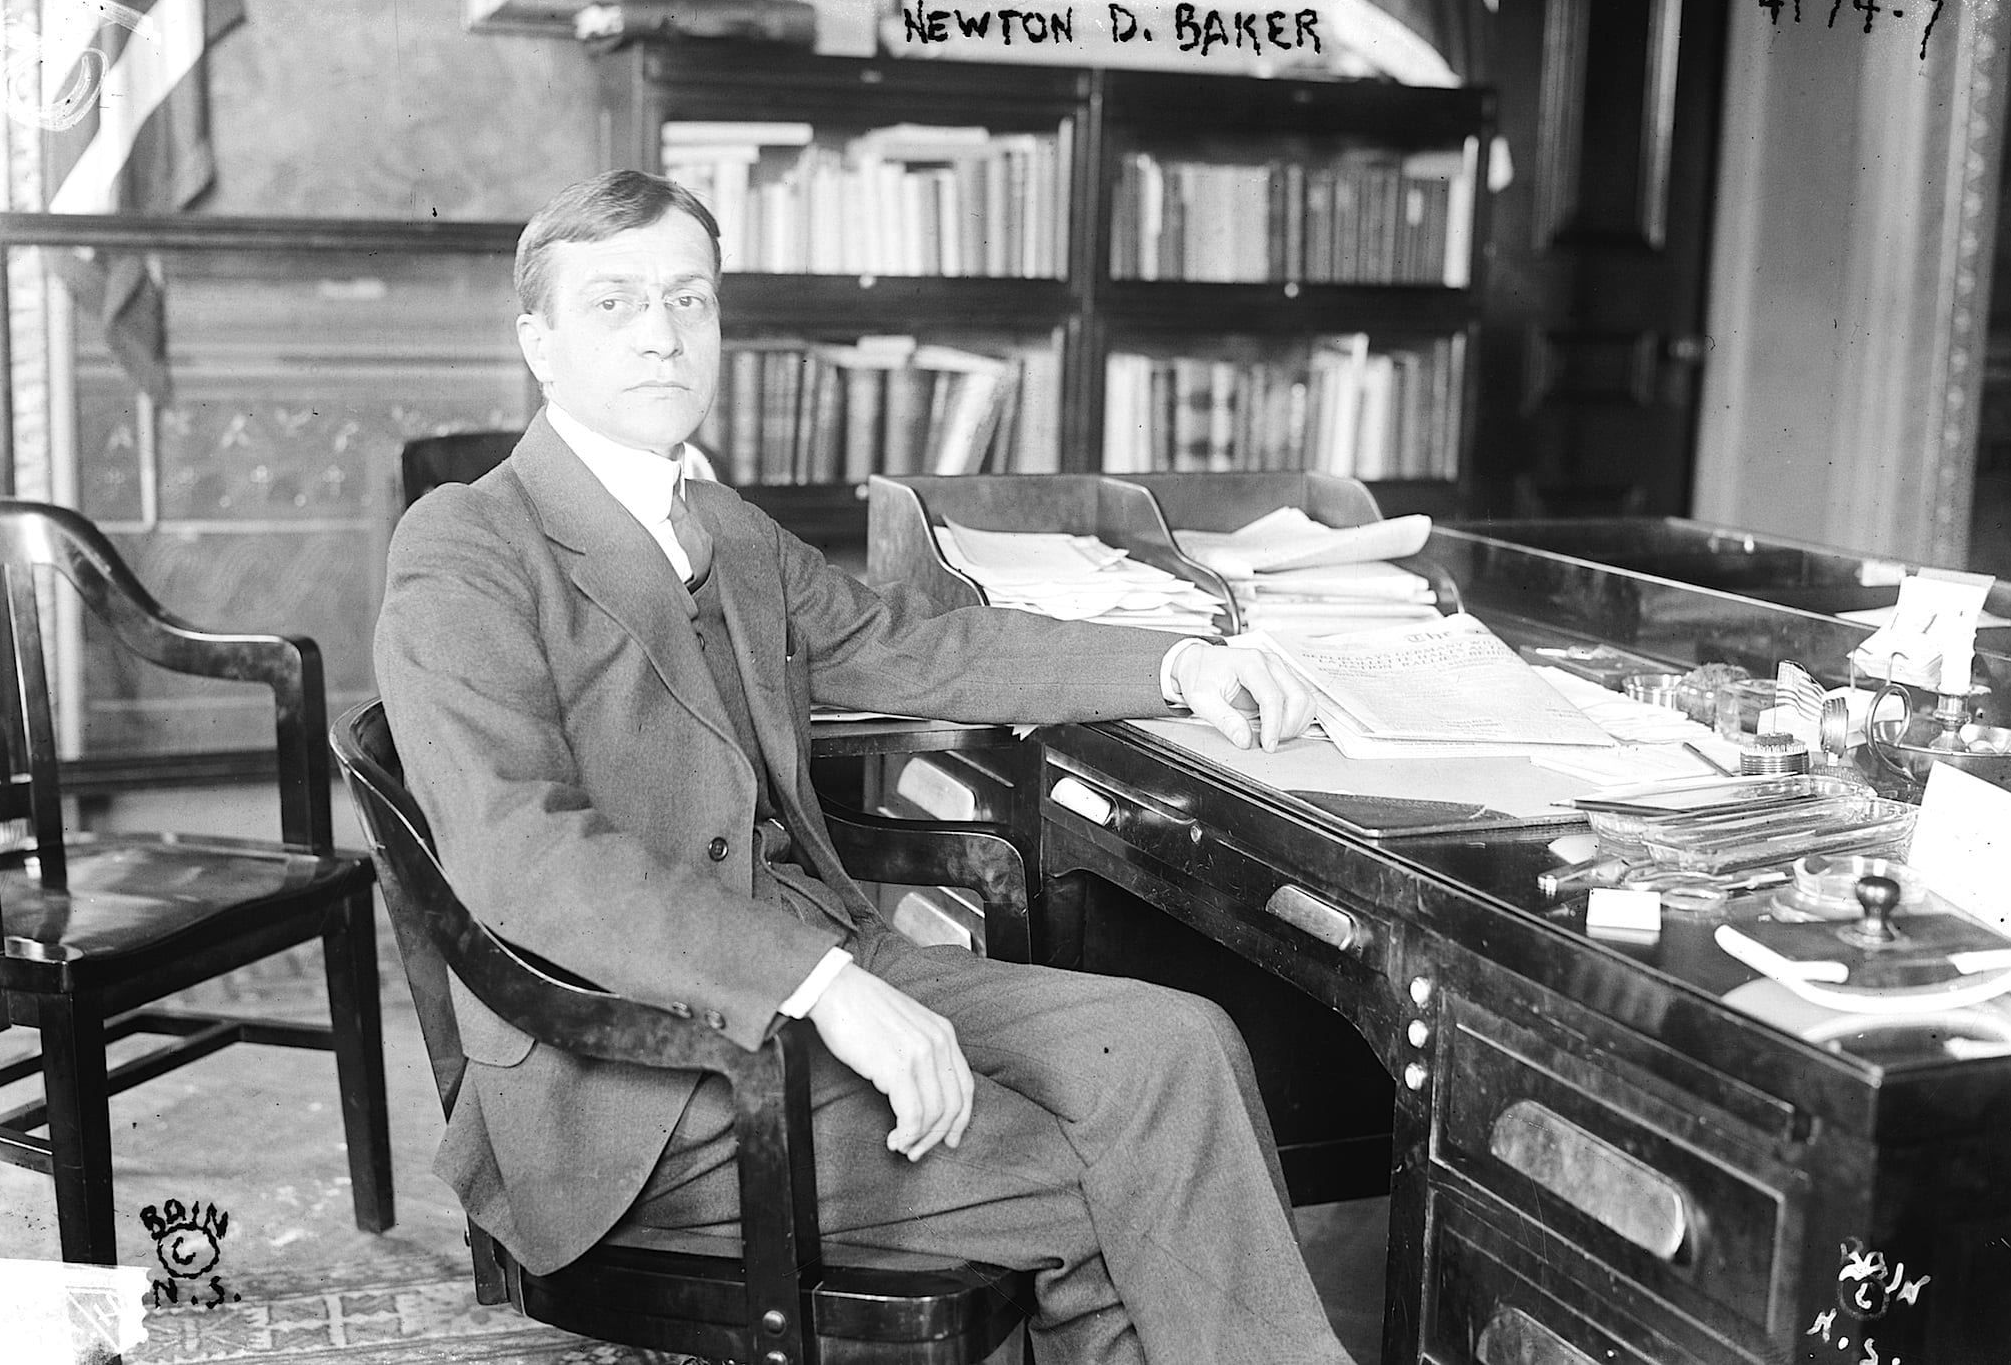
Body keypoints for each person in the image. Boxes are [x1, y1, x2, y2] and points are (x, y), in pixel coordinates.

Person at [374, 168, 1353, 1365]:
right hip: (636, 1077)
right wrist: (818, 987)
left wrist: (1179, 667)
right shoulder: (465, 541)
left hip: (823, 953)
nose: (660, 334)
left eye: (689, 300)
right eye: (614, 302)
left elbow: (912, 644)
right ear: (540, 341)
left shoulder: (719, 524)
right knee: (1111, 1173)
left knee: (1176, 1049)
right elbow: (520, 854)